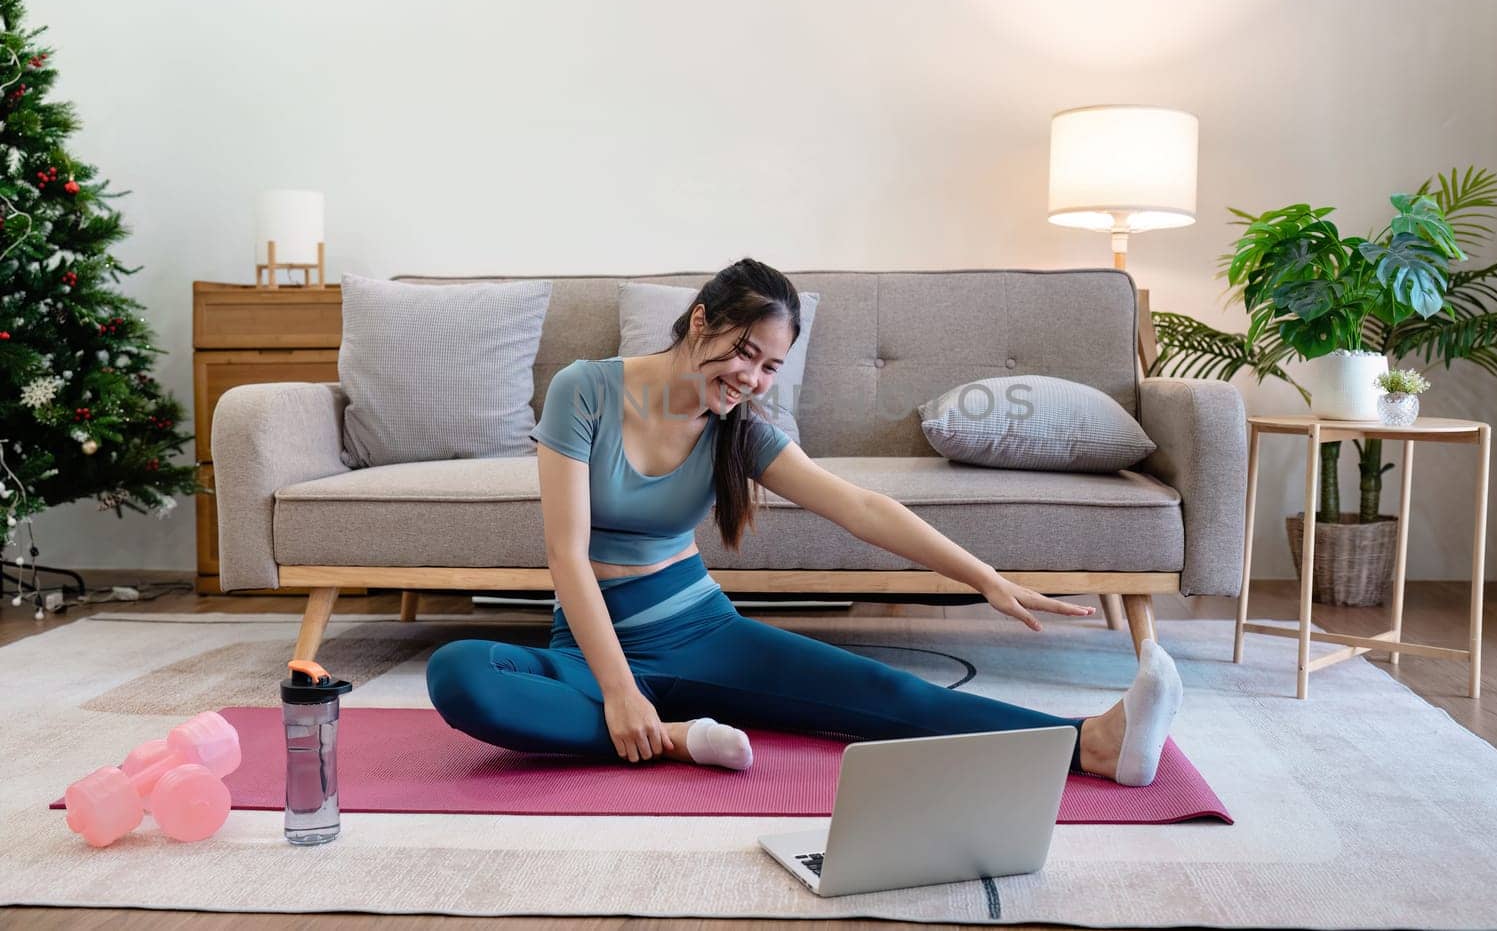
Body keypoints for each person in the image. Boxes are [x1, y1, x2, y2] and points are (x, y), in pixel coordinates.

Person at [426, 258, 1182, 785]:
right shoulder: (583, 390)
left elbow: (859, 505)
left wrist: (987, 578)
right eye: (742, 353)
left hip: (703, 636)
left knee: (882, 694)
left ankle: (1092, 742)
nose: (749, 378)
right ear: (700, 321)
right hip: (590, 645)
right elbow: (566, 553)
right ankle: (678, 737)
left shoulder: (739, 427)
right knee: (459, 675)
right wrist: (621, 692)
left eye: (768, 368)